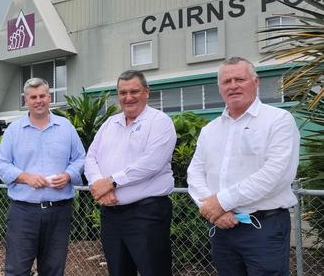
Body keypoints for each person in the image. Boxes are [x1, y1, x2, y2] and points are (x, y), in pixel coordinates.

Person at [187, 57, 300, 275]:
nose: (233, 85)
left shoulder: (278, 120)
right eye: (226, 81)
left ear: (256, 82)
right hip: (220, 228)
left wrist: (221, 201)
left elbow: (275, 174)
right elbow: (195, 173)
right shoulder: (210, 130)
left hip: (263, 229)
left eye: (240, 79)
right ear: (219, 88)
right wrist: (213, 211)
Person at [85, 70, 176, 276]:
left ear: (147, 92)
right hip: (111, 214)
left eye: (134, 91)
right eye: (122, 92)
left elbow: (152, 163)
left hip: (146, 214)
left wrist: (112, 182)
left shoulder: (159, 122)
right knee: (118, 271)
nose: (128, 97)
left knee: (154, 271)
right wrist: (99, 183)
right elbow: (91, 157)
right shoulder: (109, 123)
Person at [0, 77, 85, 276]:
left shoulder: (66, 127)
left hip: (59, 212)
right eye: (33, 97)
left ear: (49, 97)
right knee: (17, 270)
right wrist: (25, 177)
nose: (38, 100)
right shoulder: (13, 131)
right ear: (25, 100)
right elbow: (1, 165)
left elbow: (80, 158)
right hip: (24, 213)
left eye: (42, 96)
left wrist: (69, 175)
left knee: (53, 270)